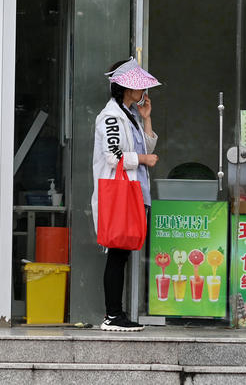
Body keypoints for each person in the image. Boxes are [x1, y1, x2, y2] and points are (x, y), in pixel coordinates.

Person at [91, 57, 160, 332]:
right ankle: (112, 315)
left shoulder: (129, 115)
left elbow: (148, 142)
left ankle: (115, 314)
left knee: (122, 253)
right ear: (124, 88)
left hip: (131, 192)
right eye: (137, 85)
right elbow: (112, 155)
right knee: (117, 253)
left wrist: (146, 119)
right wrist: (143, 159)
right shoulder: (109, 116)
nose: (143, 90)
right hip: (119, 193)